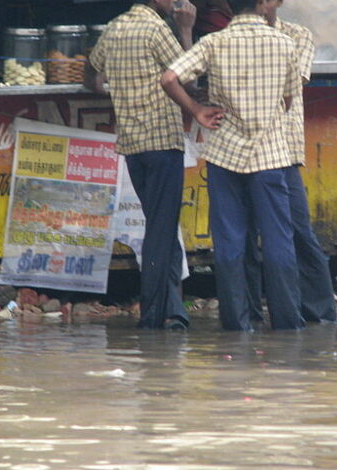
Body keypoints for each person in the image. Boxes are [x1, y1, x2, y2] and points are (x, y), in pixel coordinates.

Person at [160, 0, 305, 331]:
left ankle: (237, 326)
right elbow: (288, 99)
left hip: (224, 155)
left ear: (228, 5)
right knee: (278, 240)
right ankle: (287, 325)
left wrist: (196, 109)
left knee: (229, 242)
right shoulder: (284, 43)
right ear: (260, 4)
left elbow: (169, 78)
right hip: (270, 156)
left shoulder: (214, 42)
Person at [86, 0, 197, 330]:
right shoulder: (156, 29)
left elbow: (90, 74)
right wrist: (186, 30)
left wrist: (110, 92)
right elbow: (187, 78)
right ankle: (152, 316)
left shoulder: (115, 27)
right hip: (162, 142)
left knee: (162, 226)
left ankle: (173, 311)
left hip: (133, 146)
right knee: (161, 231)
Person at [247, 0, 337, 324]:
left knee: (299, 230)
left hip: (282, 147)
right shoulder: (238, 35)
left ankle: (320, 315)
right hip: (245, 148)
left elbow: (290, 82)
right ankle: (260, 316)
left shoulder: (297, 35)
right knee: (250, 235)